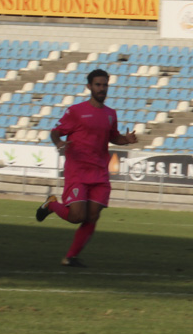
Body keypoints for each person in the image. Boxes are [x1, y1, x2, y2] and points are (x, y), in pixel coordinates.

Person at [35, 69, 137, 267]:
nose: (102, 88)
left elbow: (112, 136)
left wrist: (126, 140)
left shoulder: (110, 114)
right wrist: (58, 143)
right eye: (98, 85)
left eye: (105, 85)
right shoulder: (76, 111)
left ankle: (70, 257)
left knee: (92, 217)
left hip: (100, 172)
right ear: (89, 86)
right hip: (78, 171)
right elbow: (56, 131)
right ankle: (52, 205)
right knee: (76, 216)